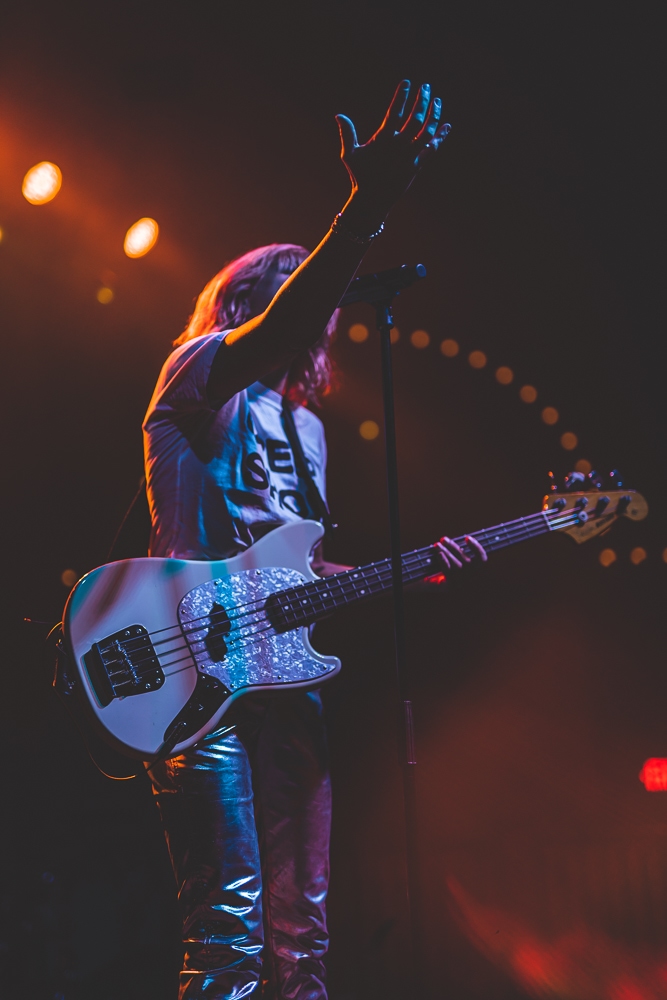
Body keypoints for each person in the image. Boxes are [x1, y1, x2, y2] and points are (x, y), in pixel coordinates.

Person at [142, 80, 485, 1000]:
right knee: (229, 936)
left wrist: (405, 572)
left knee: (304, 933)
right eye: (297, 285)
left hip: (286, 678)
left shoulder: (312, 430)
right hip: (199, 673)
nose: (321, 303)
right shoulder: (200, 375)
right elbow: (288, 323)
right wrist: (367, 205)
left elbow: (299, 569)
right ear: (253, 301)